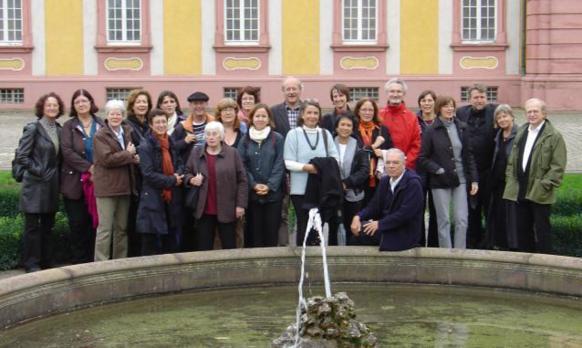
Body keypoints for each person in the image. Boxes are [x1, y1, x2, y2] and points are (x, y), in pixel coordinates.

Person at [503, 98, 567, 253]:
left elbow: (558, 166)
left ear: (544, 113)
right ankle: (527, 264)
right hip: (520, 188)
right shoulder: (522, 131)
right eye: (529, 111)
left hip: (539, 190)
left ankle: (545, 265)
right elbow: (513, 159)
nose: (531, 114)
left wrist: (545, 184)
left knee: (542, 230)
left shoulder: (554, 136)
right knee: (522, 230)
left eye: (535, 111)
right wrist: (510, 178)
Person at [419, 96, 478, 249]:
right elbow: (423, 158)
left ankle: (459, 254)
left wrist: (474, 180)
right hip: (440, 182)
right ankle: (446, 255)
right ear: (439, 109)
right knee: (444, 220)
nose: (449, 109)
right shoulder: (431, 130)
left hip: (461, 179)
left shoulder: (462, 127)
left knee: (461, 220)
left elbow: (469, 155)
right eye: (446, 106)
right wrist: (438, 170)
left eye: (452, 106)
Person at [15, 92, 63, 272]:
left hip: (51, 186)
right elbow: (22, 156)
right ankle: (31, 263)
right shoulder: (33, 128)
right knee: (33, 228)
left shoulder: (59, 129)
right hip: (35, 185)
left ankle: (45, 260)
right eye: (49, 105)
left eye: (55, 105)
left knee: (48, 226)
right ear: (42, 108)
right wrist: (40, 171)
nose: (52, 108)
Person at [185, 121, 248, 251]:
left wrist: (240, 205)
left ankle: (228, 271)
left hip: (227, 208)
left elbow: (242, 180)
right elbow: (186, 172)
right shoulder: (196, 152)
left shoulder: (233, 153)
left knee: (229, 246)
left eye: (215, 134)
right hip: (204, 209)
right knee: (204, 247)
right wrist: (191, 179)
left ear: (221, 136)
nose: (211, 137)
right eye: (208, 134)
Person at [284, 100, 339, 245]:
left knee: (318, 227)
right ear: (302, 115)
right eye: (309, 112)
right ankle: (303, 262)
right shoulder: (293, 134)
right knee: (303, 226)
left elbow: (335, 158)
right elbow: (288, 162)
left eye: (315, 113)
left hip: (321, 189)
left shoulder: (326, 134)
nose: (312, 116)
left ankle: (317, 260)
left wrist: (322, 167)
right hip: (300, 190)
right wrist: (309, 168)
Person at [61, 89, 105, 264]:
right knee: (78, 223)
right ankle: (79, 262)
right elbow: (67, 152)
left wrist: (98, 169)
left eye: (84, 101)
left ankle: (94, 261)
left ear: (91, 103)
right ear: (73, 106)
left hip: (100, 182)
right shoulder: (68, 126)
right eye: (77, 102)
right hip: (75, 183)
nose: (81, 104)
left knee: (96, 223)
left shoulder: (101, 123)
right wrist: (89, 168)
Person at [350, 148, 424, 251]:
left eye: (395, 163)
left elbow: (405, 214)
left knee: (361, 233)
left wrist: (380, 224)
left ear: (404, 164)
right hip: (387, 227)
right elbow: (374, 206)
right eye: (388, 162)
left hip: (404, 233)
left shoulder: (413, 183)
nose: (391, 166)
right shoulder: (385, 181)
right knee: (357, 229)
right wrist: (358, 216)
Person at [93, 100, 138, 261]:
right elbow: (107, 160)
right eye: (112, 113)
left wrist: (133, 158)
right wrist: (128, 154)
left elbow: (126, 157)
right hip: (107, 188)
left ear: (123, 115)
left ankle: (120, 261)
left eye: (118, 113)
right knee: (105, 229)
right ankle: (101, 263)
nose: (115, 116)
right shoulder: (100, 135)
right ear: (107, 116)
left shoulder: (126, 131)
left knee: (122, 229)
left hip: (124, 187)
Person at [136, 109, 185, 255]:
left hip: (171, 198)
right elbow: (148, 174)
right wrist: (172, 180)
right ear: (151, 125)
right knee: (151, 242)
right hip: (152, 198)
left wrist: (179, 174)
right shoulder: (145, 146)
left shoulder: (170, 142)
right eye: (157, 122)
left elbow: (180, 163)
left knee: (171, 240)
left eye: (163, 121)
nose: (161, 125)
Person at [456, 84, 497, 248]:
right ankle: (472, 242)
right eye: (476, 97)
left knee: (489, 209)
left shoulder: (495, 112)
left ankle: (490, 242)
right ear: (469, 99)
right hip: (468, 171)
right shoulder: (461, 113)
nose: (479, 100)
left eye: (482, 97)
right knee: (471, 210)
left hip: (489, 170)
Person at [238, 104, 285, 247]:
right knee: (254, 233)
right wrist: (253, 184)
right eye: (257, 116)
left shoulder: (277, 138)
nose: (260, 119)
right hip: (253, 195)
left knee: (271, 232)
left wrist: (270, 185)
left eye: (263, 116)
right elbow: (242, 164)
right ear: (252, 118)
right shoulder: (245, 140)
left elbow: (280, 163)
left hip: (273, 195)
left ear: (269, 118)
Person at [172, 91, 214, 251]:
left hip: (211, 176)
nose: (199, 106)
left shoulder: (214, 124)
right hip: (189, 178)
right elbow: (173, 149)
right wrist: (184, 141)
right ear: (190, 106)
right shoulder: (181, 128)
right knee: (189, 216)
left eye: (202, 103)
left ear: (206, 105)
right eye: (195, 104)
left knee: (207, 217)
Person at [271, 76, 304, 246]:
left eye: (294, 88)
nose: (291, 92)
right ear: (283, 91)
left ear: (300, 90)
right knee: (282, 211)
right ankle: (283, 248)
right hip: (282, 168)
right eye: (288, 89)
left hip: (305, 168)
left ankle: (303, 247)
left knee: (303, 211)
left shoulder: (309, 109)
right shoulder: (274, 111)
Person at [331, 114, 369, 246]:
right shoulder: (328, 144)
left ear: (353, 129)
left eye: (348, 125)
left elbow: (364, 171)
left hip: (354, 193)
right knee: (333, 226)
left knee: (352, 227)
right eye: (342, 124)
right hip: (333, 192)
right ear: (336, 127)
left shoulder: (359, 146)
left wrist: (346, 183)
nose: (345, 128)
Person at [486, 104, 518, 250]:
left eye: (505, 116)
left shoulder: (519, 134)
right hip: (497, 182)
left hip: (511, 181)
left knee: (511, 215)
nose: (502, 119)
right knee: (498, 213)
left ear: (512, 116)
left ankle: (512, 245)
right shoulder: (498, 135)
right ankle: (498, 242)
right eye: (499, 117)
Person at [353, 98, 393, 210]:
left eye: (370, 110)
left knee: (377, 211)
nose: (367, 113)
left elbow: (392, 151)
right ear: (358, 111)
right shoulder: (352, 129)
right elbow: (356, 152)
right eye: (364, 109)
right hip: (359, 177)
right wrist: (374, 146)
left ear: (375, 112)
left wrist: (382, 153)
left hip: (378, 178)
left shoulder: (382, 130)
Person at [379, 78, 421, 170]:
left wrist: (405, 163)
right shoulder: (379, 115)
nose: (395, 94)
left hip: (405, 167)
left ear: (404, 94)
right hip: (382, 168)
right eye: (392, 91)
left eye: (399, 91)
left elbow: (416, 144)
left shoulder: (412, 117)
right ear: (387, 93)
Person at [416, 90, 439, 247]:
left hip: (437, 170)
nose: (427, 103)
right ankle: (418, 242)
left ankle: (433, 244)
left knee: (436, 209)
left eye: (430, 100)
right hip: (419, 169)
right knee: (418, 207)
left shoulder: (442, 121)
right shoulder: (415, 120)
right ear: (419, 104)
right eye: (423, 100)